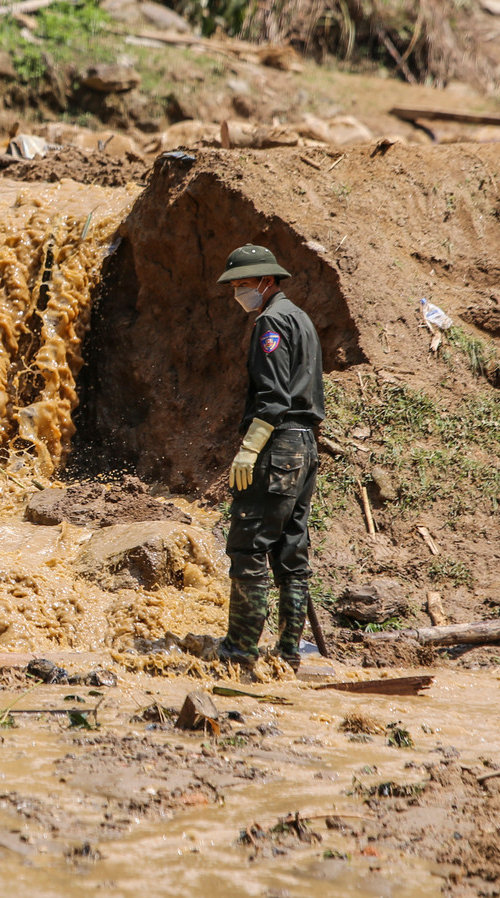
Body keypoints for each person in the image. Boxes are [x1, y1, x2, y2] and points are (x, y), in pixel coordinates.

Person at [214, 245, 325, 669]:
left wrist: (248, 449)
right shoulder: (300, 318)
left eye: (243, 284)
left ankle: (239, 651)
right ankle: (289, 655)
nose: (238, 292)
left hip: (278, 443)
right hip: (305, 446)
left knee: (249, 544)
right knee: (291, 552)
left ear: (267, 281)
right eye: (236, 285)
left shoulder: (271, 322)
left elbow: (274, 397)